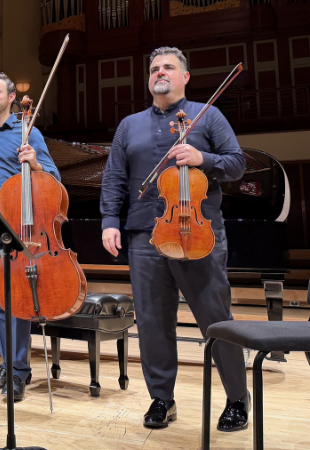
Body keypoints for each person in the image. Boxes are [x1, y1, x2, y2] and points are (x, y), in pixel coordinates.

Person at [100, 46, 249, 431]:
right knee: (151, 321)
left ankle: (237, 399)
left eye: (168, 67)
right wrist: (108, 221)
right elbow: (115, 176)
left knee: (216, 320)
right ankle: (161, 399)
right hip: (144, 235)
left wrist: (204, 159)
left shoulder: (208, 115)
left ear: (185, 77)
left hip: (199, 233)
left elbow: (236, 162)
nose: (160, 73)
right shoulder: (129, 125)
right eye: (153, 69)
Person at [0, 73, 60, 402]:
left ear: (9, 98)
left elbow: (53, 178)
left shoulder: (27, 131)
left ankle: (19, 372)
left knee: (16, 300)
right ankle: (7, 366)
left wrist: (34, 162)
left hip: (17, 224)